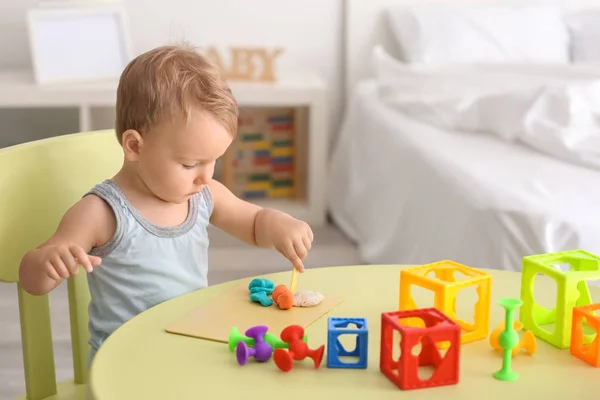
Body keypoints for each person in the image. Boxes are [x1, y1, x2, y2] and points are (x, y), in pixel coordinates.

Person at [18, 44, 314, 366]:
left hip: (187, 348)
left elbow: (254, 224)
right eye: (190, 164)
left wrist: (278, 223)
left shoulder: (203, 193)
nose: (205, 176)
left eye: (213, 161)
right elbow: (33, 281)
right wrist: (48, 263)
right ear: (135, 146)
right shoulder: (101, 212)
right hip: (124, 365)